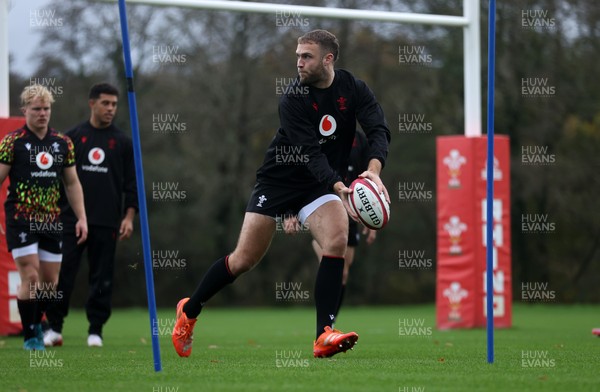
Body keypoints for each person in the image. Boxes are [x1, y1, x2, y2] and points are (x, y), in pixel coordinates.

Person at [171, 29, 391, 359]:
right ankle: (190, 310)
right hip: (279, 181)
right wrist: (339, 187)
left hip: (316, 186)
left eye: (307, 56)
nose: (299, 62)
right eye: (298, 56)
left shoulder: (353, 88)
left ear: (328, 59)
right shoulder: (293, 98)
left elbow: (378, 129)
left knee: (337, 240)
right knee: (243, 260)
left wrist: (373, 170)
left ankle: (323, 334)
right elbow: (309, 153)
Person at [44, 82, 137, 347]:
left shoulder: (122, 143)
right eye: (105, 103)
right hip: (70, 221)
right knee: (61, 274)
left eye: (114, 104)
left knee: (102, 277)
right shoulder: (71, 138)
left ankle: (95, 330)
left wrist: (129, 217)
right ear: (92, 103)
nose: (110, 109)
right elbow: (55, 179)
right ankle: (54, 327)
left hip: (107, 220)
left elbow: (131, 184)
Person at [0, 84, 88, 350]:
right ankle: (30, 336)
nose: (42, 114)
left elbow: (72, 184)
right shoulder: (12, 142)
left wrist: (82, 218)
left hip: (52, 220)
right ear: (24, 110)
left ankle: (36, 322)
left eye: (46, 109)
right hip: (20, 217)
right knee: (31, 276)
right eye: (36, 109)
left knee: (51, 283)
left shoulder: (63, 143)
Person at [284, 130, 377, 320]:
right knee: (332, 260)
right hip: (324, 205)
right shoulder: (320, 133)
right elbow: (299, 173)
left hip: (351, 210)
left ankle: (330, 323)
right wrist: (290, 211)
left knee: (343, 273)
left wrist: (371, 217)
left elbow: (369, 181)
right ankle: (325, 325)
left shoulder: (360, 140)